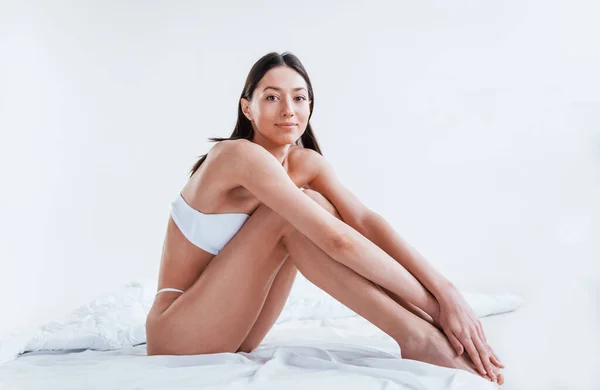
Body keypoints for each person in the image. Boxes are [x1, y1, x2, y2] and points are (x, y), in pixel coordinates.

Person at [144, 51, 504, 384]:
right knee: (290, 215)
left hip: (238, 328)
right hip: (178, 331)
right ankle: (416, 334)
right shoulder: (235, 155)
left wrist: (446, 292)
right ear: (247, 108)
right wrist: (439, 311)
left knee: (315, 203)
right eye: (272, 97)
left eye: (299, 98)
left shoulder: (304, 164)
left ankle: (419, 330)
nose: (288, 109)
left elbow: (364, 222)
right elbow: (338, 240)